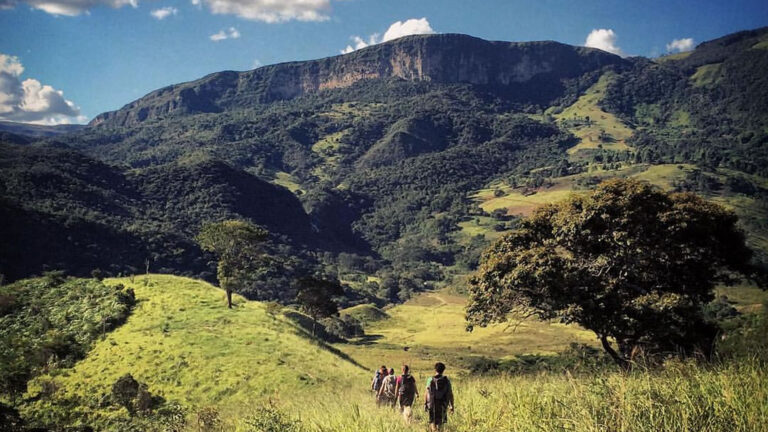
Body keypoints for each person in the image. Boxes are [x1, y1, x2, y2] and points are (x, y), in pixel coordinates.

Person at [425, 362, 454, 431]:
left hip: (432, 404)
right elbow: (450, 393)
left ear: (435, 369)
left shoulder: (430, 380)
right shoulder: (447, 381)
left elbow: (426, 393)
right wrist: (452, 405)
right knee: (440, 423)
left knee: (432, 421)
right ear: (443, 370)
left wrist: (426, 403)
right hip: (443, 404)